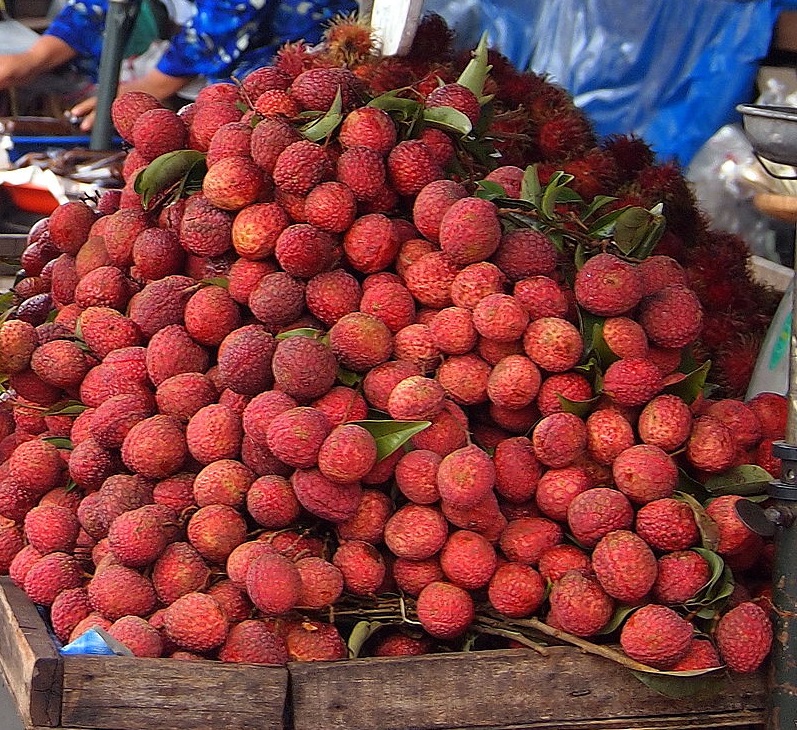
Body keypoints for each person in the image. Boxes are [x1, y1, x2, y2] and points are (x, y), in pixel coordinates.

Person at [0, 0, 358, 129]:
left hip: (295, 55)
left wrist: (149, 87)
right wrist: (32, 59)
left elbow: (223, 18)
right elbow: (98, 8)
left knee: (263, 126)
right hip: (212, 71)